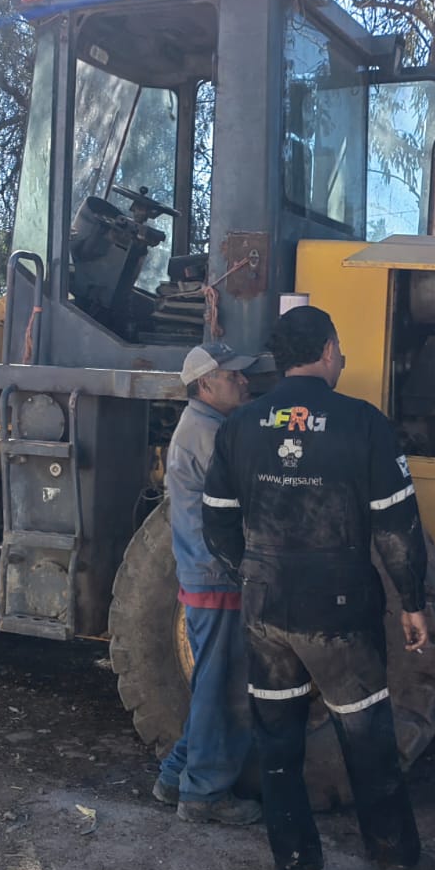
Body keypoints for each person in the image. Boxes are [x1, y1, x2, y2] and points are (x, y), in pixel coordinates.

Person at [202, 306, 435, 870]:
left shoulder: (241, 425)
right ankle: (396, 867)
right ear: (329, 351)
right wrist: (412, 603)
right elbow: (397, 526)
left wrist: (250, 576)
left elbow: (217, 523)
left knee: (277, 742)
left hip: (266, 609)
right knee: (366, 738)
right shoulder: (363, 423)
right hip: (340, 613)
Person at [153, 342, 263, 826]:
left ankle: (176, 774)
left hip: (204, 574)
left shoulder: (205, 426)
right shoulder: (210, 434)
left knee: (209, 682)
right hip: (218, 576)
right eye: (233, 376)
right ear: (205, 385)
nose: (244, 381)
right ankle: (204, 795)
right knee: (223, 687)